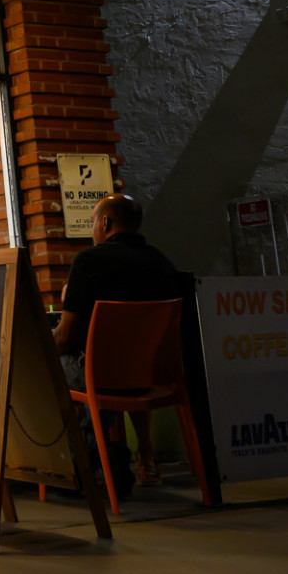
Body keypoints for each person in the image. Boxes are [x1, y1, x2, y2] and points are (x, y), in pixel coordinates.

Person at [53, 193, 181, 486]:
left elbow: (65, 338)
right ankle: (141, 454)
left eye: (93, 222)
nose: (93, 229)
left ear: (105, 222)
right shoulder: (163, 263)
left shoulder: (89, 261)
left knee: (41, 369)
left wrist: (39, 348)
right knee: (119, 364)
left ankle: (66, 461)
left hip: (100, 375)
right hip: (152, 376)